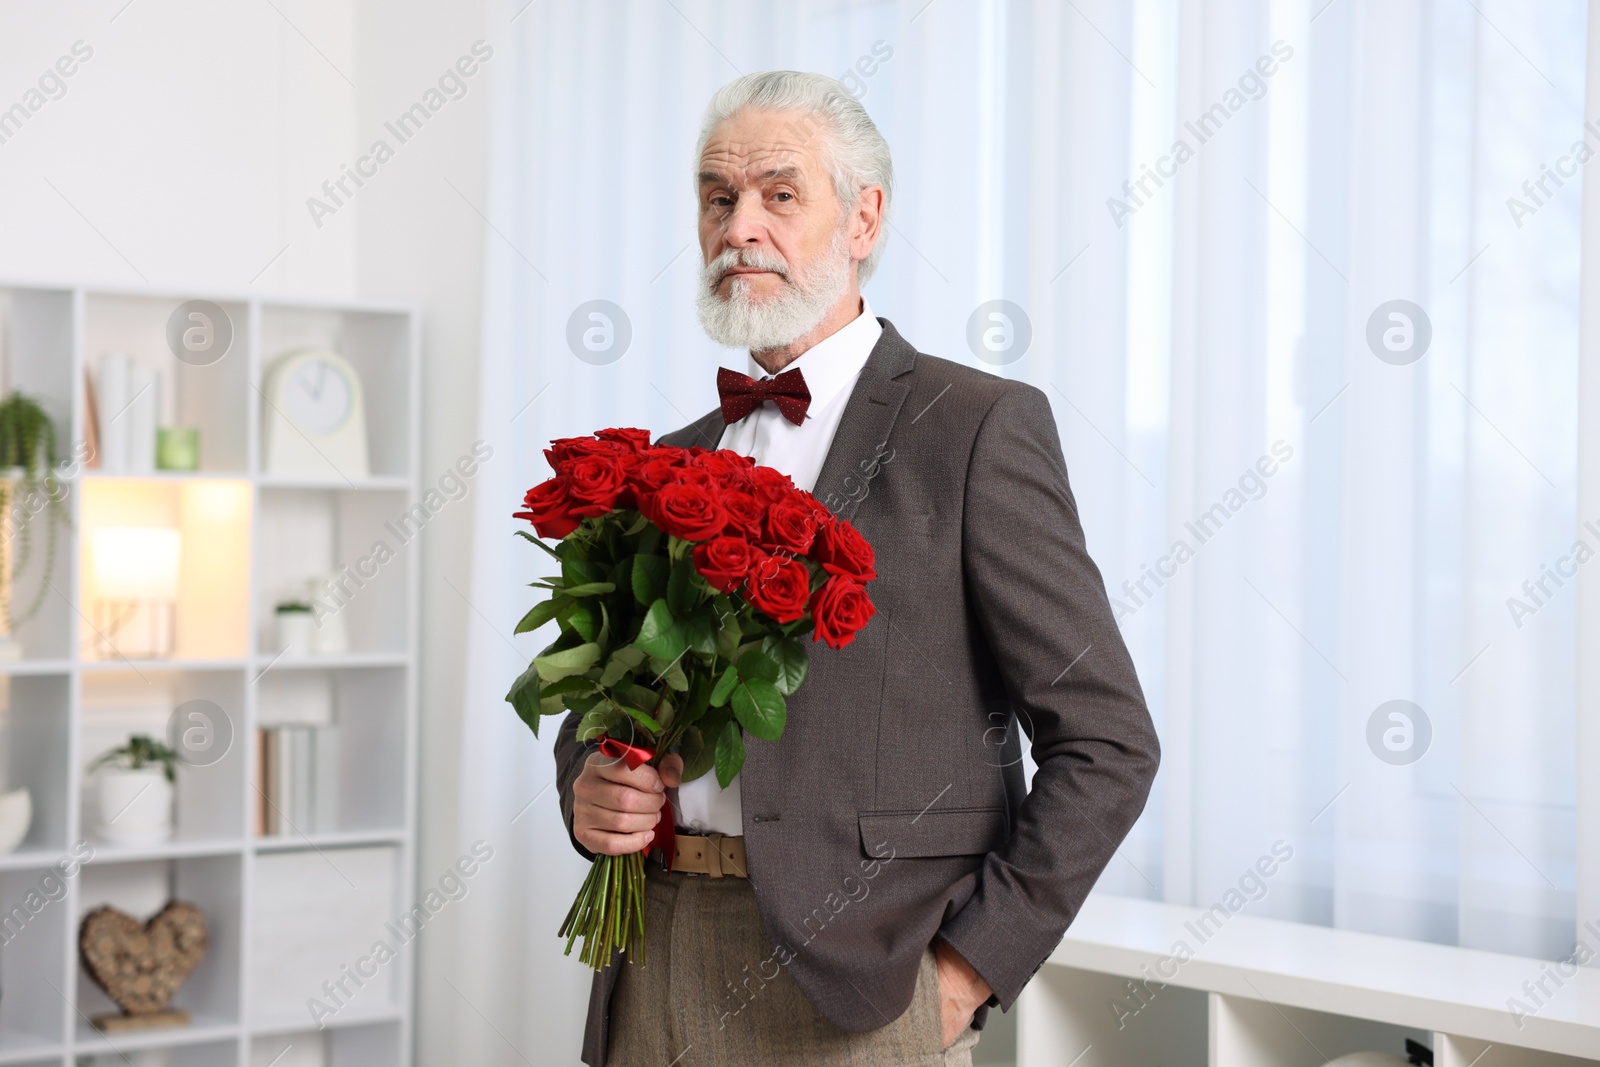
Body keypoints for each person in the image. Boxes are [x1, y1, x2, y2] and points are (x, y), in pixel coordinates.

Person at [555, 69, 1159, 1067]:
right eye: (718, 196)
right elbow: (603, 706)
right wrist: (588, 783)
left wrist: (967, 973)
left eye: (779, 194)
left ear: (864, 217)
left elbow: (1107, 739)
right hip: (647, 959)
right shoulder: (668, 460)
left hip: (860, 990)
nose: (740, 224)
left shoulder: (974, 429)